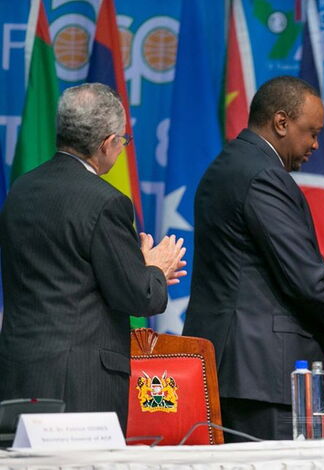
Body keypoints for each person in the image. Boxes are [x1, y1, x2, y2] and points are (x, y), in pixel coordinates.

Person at [183, 76, 324, 441]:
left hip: (239, 368)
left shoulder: (229, 165)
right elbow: (303, 274)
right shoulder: (263, 176)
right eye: (311, 132)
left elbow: (263, 268)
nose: (315, 145)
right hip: (262, 372)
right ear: (281, 122)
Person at [0, 83, 186, 431]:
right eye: (122, 141)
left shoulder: (20, 191)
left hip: (17, 373)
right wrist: (154, 268)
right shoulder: (106, 202)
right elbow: (138, 296)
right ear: (107, 143)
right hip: (80, 383)